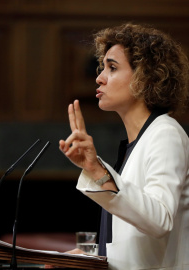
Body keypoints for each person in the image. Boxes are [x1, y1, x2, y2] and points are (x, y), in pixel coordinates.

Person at [59, 23, 189, 270]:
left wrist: (98, 172)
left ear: (146, 78)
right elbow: (136, 243)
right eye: (102, 67)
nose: (99, 77)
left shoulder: (166, 134)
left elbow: (159, 220)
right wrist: (90, 255)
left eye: (112, 67)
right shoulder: (140, 141)